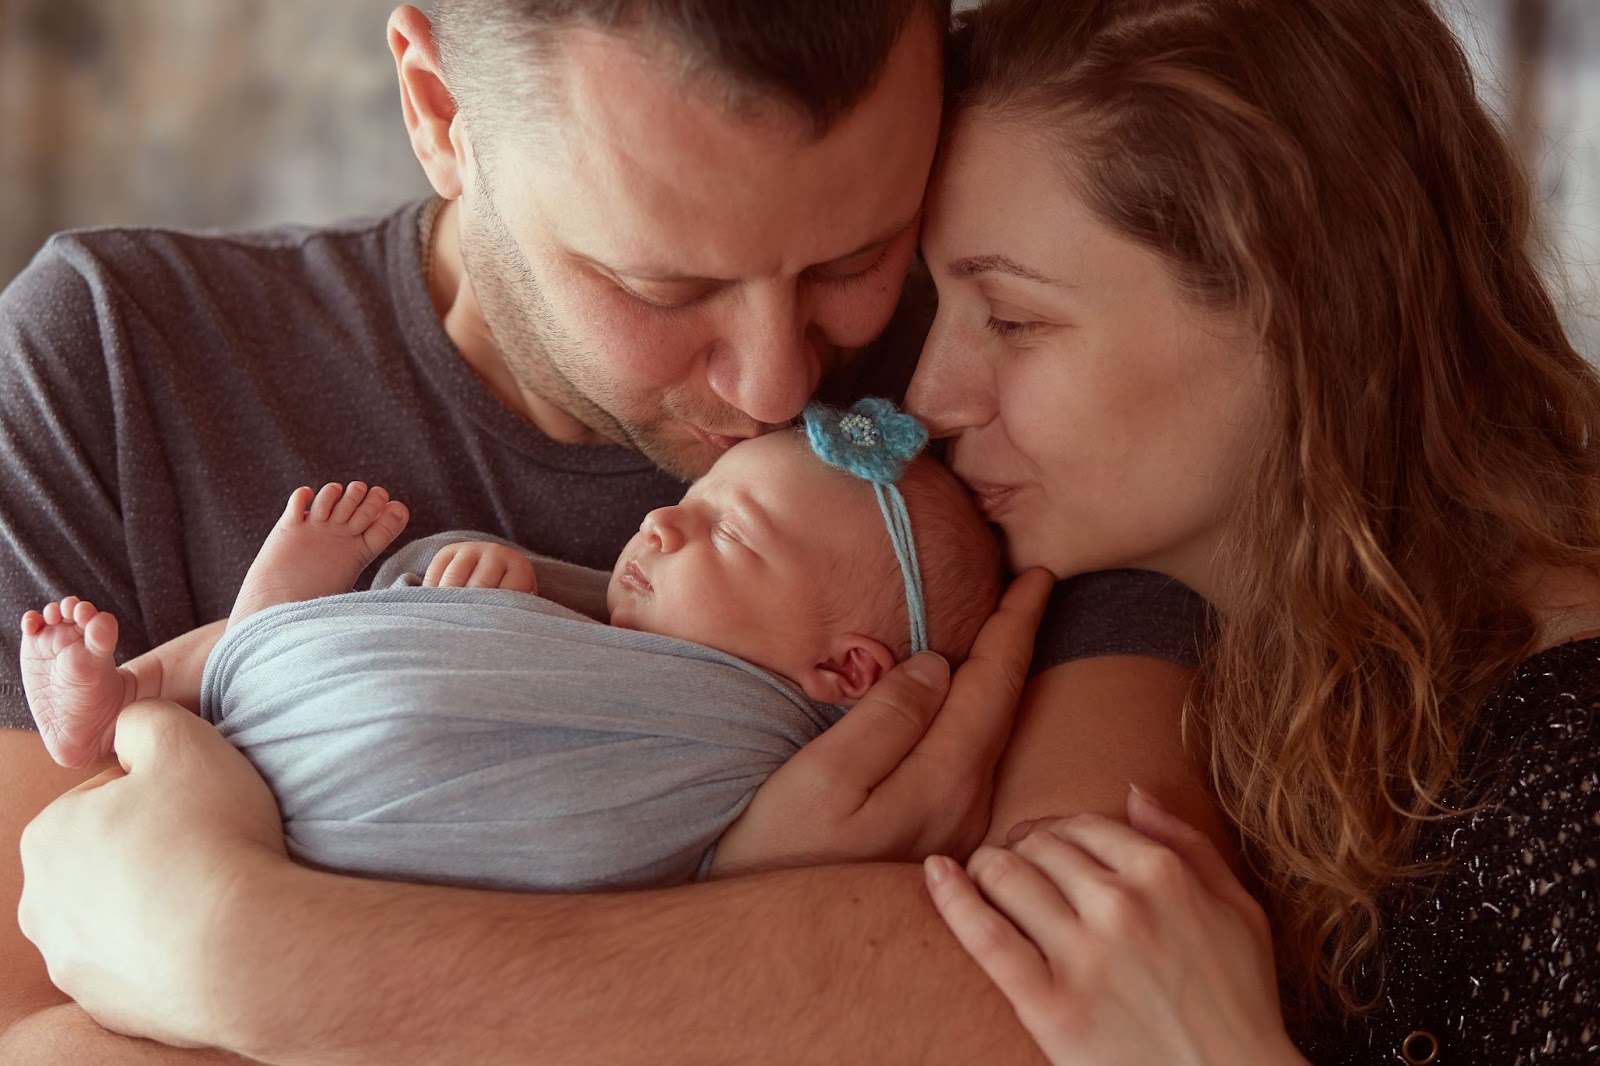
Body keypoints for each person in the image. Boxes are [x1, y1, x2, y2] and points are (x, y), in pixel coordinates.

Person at [4, 2, 1219, 1062]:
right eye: (664, 290)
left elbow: (1079, 1020)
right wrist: (794, 955)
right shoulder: (110, 359)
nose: (778, 388)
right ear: (439, 114)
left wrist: (257, 955)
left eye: (858, 256)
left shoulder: (989, 408)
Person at [902, 0, 1599, 1063]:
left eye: (1012, 317)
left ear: (1298, 308)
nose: (928, 394)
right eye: (931, 309)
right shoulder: (1244, 674)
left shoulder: (1571, 779)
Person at [23, 404, 1002, 891]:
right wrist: (482, 578)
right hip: (315, 712)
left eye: (731, 533)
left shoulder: (767, 756)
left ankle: (212, 662)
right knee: (277, 644)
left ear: (846, 672)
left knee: (269, 666)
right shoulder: (602, 621)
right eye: (691, 502)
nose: (660, 524)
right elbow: (513, 646)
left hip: (347, 836)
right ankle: (131, 689)